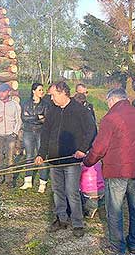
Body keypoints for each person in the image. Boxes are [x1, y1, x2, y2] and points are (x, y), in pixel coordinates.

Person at [76, 88, 135, 255]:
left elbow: (99, 148)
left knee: (115, 211)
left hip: (117, 171)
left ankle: (118, 248)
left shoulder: (110, 118)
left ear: (112, 100)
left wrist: (87, 161)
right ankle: (134, 245)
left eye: (108, 102)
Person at [36, 81, 96, 238]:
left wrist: (82, 149)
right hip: (54, 159)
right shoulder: (52, 110)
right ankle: (61, 218)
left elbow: (91, 130)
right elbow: (45, 133)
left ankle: (77, 223)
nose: (51, 98)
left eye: (53, 95)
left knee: (72, 192)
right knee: (57, 191)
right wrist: (42, 153)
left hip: (71, 160)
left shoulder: (80, 110)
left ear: (63, 93)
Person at [0, 83, 22, 188]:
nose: (1, 93)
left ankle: (9, 179)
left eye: (3, 91)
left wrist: (15, 133)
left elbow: (19, 121)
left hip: (10, 134)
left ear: (8, 92)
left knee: (10, 158)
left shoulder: (15, 105)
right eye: (0, 91)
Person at [19, 83, 49, 193]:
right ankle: (28, 181)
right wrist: (37, 117)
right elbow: (23, 118)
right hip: (28, 132)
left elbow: (45, 119)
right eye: (40, 90)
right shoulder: (26, 103)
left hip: (41, 132)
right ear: (33, 91)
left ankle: (43, 182)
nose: (42, 92)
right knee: (29, 156)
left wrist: (31, 118)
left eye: (42, 90)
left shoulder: (45, 104)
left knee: (41, 156)